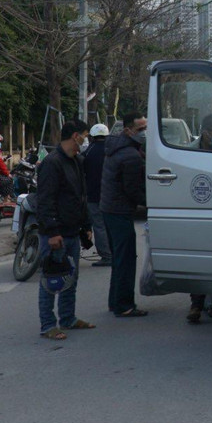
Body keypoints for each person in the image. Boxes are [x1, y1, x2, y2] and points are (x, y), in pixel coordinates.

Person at [35, 119, 95, 339]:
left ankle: (68, 318)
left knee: (71, 279)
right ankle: (48, 325)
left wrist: (86, 225)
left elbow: (81, 196)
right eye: (85, 135)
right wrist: (52, 232)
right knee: (51, 280)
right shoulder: (52, 163)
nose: (86, 140)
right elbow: (46, 200)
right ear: (75, 136)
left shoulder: (77, 160)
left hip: (72, 231)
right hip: (56, 233)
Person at [100, 113, 148, 318]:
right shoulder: (130, 156)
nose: (144, 133)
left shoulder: (117, 147)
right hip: (120, 211)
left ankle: (115, 301)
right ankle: (124, 305)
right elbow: (133, 190)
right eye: (140, 129)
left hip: (109, 209)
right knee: (126, 259)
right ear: (128, 130)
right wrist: (153, 203)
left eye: (146, 127)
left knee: (119, 259)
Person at [82, 123, 112, 268]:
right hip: (112, 195)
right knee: (111, 225)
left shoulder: (89, 151)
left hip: (94, 195)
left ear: (92, 137)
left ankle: (106, 256)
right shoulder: (112, 150)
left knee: (99, 226)